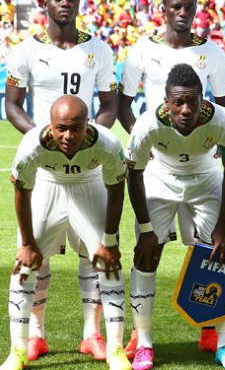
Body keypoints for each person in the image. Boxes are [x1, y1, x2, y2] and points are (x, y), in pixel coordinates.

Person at [4, 0, 118, 362]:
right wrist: (43, 141)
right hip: (45, 170)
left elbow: (109, 105)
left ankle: (92, 334)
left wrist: (89, 140)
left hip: (87, 167)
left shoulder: (99, 49)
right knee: (35, 252)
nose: (65, 3)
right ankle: (35, 335)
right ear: (46, 3)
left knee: (94, 251)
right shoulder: (25, 50)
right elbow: (12, 105)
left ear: (79, 2)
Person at [118, 0, 225, 355]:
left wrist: (215, 144)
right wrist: (143, 141)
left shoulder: (212, 52)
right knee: (148, 249)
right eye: (176, 7)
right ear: (163, 10)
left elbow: (223, 105)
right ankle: (140, 336)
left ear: (196, 9)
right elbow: (123, 104)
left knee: (211, 252)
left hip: (202, 168)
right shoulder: (142, 49)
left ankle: (210, 330)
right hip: (159, 168)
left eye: (189, 7)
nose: (183, 13)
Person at [125, 64, 225, 370]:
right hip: (160, 179)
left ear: (204, 99)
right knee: (146, 255)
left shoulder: (222, 120)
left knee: (219, 255)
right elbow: (134, 175)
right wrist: (146, 229)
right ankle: (144, 342)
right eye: (178, 102)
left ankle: (222, 342)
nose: (186, 109)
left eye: (193, 101)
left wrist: (222, 226)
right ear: (167, 102)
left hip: (207, 179)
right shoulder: (148, 124)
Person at [1, 95, 130, 370]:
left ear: (88, 124)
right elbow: (22, 191)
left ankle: (114, 348)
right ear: (50, 125)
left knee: (108, 264)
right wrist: (28, 243)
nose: (68, 136)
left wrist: (109, 241)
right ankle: (19, 348)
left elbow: (116, 188)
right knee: (24, 266)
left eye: (76, 128)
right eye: (61, 128)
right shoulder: (33, 144)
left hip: (90, 185)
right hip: (48, 187)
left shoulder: (107, 142)